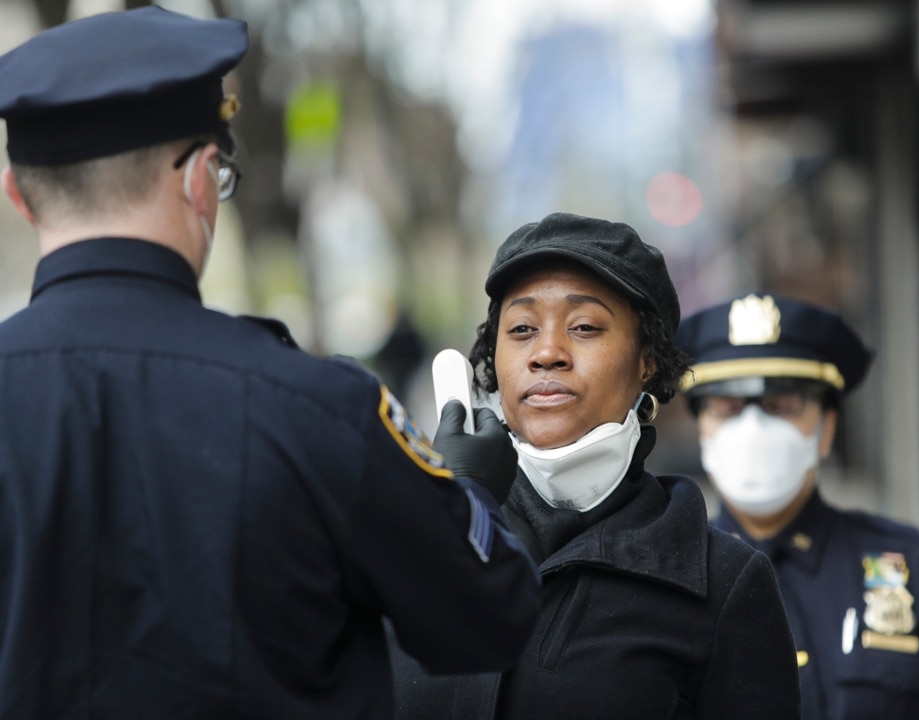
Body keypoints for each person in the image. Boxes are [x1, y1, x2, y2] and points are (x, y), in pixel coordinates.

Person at [0, 7, 539, 718]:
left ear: (19, 195)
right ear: (199, 179)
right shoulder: (317, 410)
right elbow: (489, 616)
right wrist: (466, 490)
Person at [391, 213, 800, 719]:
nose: (546, 353)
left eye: (584, 327)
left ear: (646, 361)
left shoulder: (725, 585)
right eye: (521, 329)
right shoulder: (406, 552)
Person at [676, 293, 919, 719]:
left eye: (781, 405)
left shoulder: (915, 568)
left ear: (827, 427)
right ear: (701, 428)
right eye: (727, 408)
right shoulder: (668, 581)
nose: (752, 429)